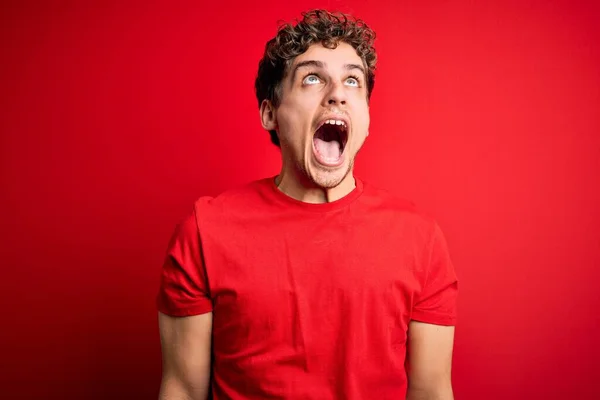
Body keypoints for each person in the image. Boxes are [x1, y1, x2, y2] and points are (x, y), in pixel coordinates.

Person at [157, 9, 458, 400]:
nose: (337, 93)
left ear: (366, 116)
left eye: (352, 80)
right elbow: (181, 389)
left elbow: (432, 391)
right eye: (312, 78)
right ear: (271, 114)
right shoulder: (204, 232)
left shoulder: (421, 239)